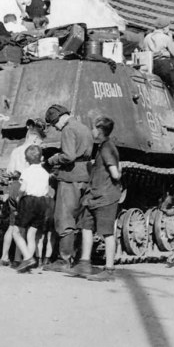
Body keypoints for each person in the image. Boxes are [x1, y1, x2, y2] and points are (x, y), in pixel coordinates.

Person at [42, 104, 93, 272]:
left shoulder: (68, 129)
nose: (55, 128)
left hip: (70, 177)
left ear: (60, 118)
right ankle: (78, 257)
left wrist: (52, 160)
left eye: (54, 123)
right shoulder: (84, 127)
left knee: (64, 218)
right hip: (84, 175)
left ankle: (63, 260)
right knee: (80, 220)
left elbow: (69, 156)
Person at [73, 116, 122, 282]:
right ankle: (84, 263)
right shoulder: (103, 146)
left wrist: (117, 172)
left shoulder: (107, 147)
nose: (92, 130)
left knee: (107, 233)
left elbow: (115, 173)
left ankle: (109, 270)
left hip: (105, 197)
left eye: (93, 128)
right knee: (86, 226)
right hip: (94, 196)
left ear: (99, 130)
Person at [0, 118, 46, 267]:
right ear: (35, 138)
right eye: (41, 140)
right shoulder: (35, 152)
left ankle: (5, 256)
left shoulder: (16, 150)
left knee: (12, 225)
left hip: (14, 186)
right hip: (26, 189)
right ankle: (20, 258)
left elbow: (9, 171)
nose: (41, 143)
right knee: (24, 227)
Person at [12, 145, 53, 273]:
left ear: (26, 159)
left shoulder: (27, 171)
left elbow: (23, 188)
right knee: (32, 234)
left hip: (29, 202)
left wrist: (18, 197)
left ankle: (27, 258)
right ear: (42, 158)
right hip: (42, 202)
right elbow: (46, 190)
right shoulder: (45, 173)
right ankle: (28, 263)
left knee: (16, 232)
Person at [142, 15, 174, 120]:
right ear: (164, 28)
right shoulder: (166, 38)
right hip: (164, 65)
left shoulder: (147, 38)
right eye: (168, 26)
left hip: (151, 65)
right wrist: (171, 39)